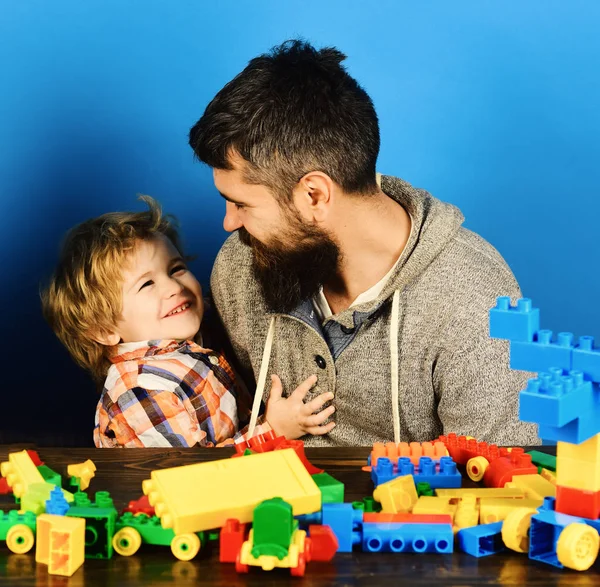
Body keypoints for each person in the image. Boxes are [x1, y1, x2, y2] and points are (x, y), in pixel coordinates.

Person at [188, 39, 539, 447]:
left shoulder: (474, 299)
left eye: (241, 203)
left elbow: (504, 479)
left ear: (314, 195)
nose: (229, 223)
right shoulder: (240, 267)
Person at [41, 196, 332, 447]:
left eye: (176, 268)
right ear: (104, 330)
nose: (173, 287)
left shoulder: (184, 346)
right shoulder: (140, 391)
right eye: (146, 285)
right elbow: (193, 472)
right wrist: (273, 431)